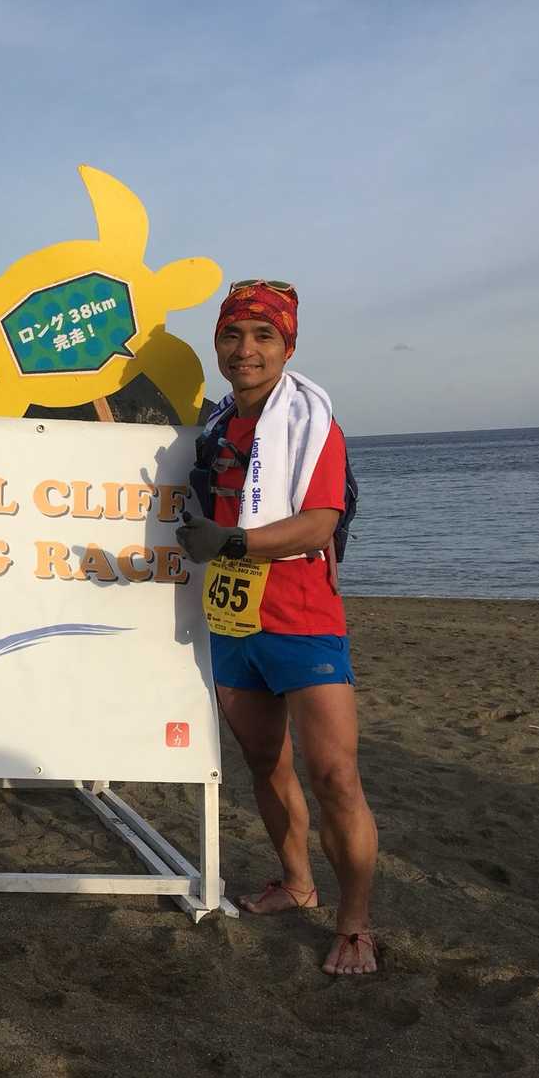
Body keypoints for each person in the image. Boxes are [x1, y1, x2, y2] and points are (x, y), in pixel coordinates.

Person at [175, 280, 379, 975]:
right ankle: (297, 884)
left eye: (264, 336)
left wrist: (229, 542)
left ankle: (354, 924)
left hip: (302, 617)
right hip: (233, 617)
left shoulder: (313, 425)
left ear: (288, 347)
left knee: (335, 776)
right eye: (232, 335)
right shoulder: (213, 430)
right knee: (265, 763)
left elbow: (319, 524)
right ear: (217, 345)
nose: (246, 349)